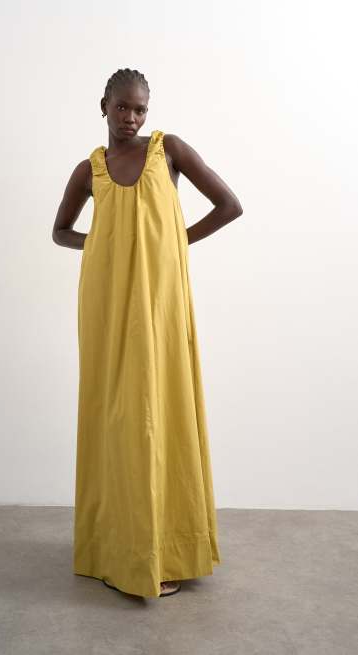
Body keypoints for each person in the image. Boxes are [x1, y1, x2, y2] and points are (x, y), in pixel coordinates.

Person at [52, 68, 243, 599]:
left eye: (140, 109)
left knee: (160, 408)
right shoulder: (89, 169)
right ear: (104, 106)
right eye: (122, 107)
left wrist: (173, 242)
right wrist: (105, 243)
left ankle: (166, 549)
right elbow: (60, 231)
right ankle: (112, 549)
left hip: (160, 300)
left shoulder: (169, 150)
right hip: (106, 301)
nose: (131, 118)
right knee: (114, 413)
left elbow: (229, 206)